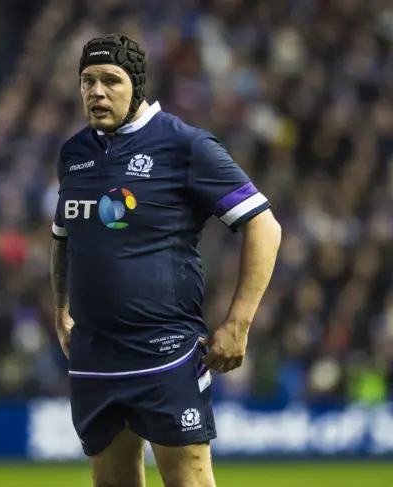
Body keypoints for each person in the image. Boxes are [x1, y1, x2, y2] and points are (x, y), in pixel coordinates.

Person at [50, 34, 281, 487]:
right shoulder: (74, 154)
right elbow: (62, 237)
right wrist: (61, 310)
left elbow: (264, 226)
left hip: (166, 352)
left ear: (136, 85)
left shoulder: (184, 145)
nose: (96, 92)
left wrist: (238, 323)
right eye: (87, 81)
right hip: (94, 355)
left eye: (110, 81)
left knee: (188, 480)